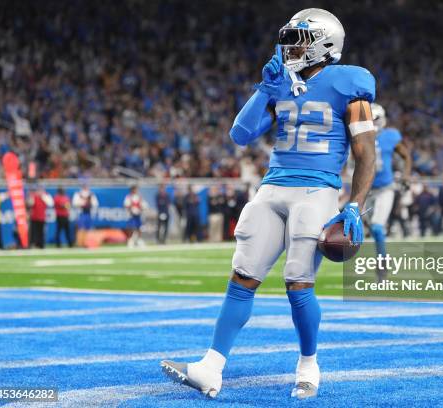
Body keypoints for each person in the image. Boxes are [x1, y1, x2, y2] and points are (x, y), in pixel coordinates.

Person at [161, 8, 377, 400]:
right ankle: (211, 368)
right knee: (242, 274)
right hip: (272, 187)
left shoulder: (351, 83)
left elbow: (366, 154)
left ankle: (308, 364)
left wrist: (354, 205)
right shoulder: (282, 83)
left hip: (317, 189)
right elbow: (240, 134)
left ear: (325, 44)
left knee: (298, 282)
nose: (290, 47)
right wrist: (266, 89)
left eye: (300, 40)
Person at [366, 103, 411, 280]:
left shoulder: (391, 136)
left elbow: (406, 156)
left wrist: (406, 176)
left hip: (385, 188)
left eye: (373, 119)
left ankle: (382, 266)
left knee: (377, 228)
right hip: (366, 190)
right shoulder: (359, 136)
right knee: (366, 229)